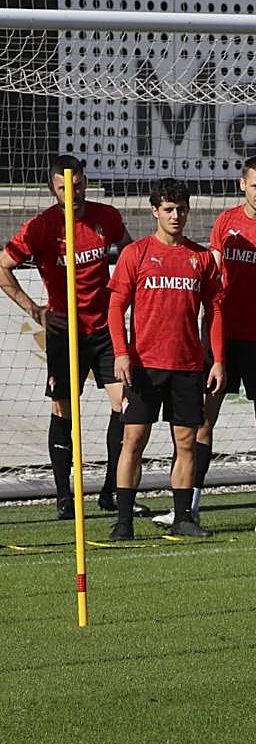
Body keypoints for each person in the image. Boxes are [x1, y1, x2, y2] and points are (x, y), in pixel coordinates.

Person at [153, 157, 256, 533]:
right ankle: (188, 507)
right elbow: (211, 284)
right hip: (223, 342)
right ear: (242, 184)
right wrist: (205, 338)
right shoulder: (226, 223)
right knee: (202, 423)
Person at [0, 155, 140, 519]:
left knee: (125, 405)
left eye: (77, 186)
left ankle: (113, 491)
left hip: (105, 329)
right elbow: (3, 266)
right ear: (52, 189)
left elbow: (129, 251)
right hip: (65, 332)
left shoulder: (106, 216)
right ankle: (64, 496)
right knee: (62, 408)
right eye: (64, 188)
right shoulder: (41, 227)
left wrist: (121, 294)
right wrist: (35, 310)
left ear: (85, 184)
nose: (72, 193)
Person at [106, 178, 225, 540]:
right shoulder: (136, 253)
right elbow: (116, 307)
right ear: (154, 211)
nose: (176, 216)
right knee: (134, 439)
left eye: (182, 209)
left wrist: (218, 359)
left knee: (186, 442)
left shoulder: (201, 258)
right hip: (144, 366)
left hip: (188, 367)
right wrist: (122, 353)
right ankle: (124, 522)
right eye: (169, 209)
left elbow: (215, 311)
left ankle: (183, 517)